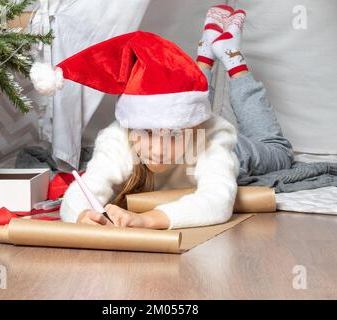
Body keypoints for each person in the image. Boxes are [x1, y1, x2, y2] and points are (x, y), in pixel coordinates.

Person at [30, 5, 293, 230]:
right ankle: (205, 53)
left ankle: (232, 57)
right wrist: (82, 215)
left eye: (174, 135)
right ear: (131, 128)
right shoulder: (118, 138)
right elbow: (81, 191)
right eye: (146, 133)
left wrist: (146, 220)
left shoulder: (212, 138)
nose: (158, 149)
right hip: (191, 118)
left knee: (279, 152)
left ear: (195, 127)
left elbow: (217, 200)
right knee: (186, 98)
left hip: (237, 153)